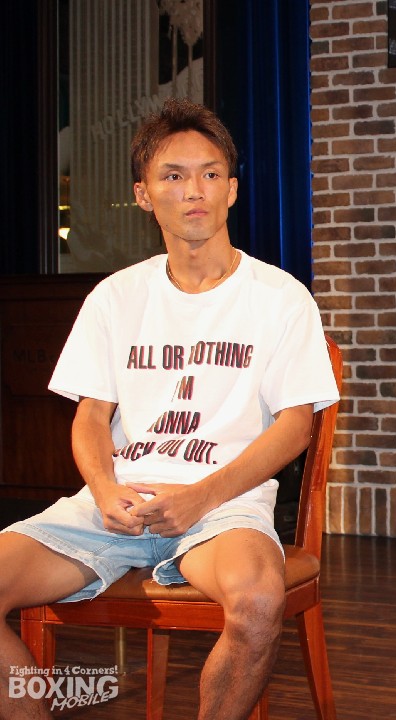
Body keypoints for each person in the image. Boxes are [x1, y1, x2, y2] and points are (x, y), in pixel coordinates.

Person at [0, 97, 339, 720]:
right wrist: (105, 488)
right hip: (117, 507)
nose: (194, 191)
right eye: (173, 175)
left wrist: (201, 497)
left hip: (224, 507)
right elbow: (90, 416)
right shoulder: (115, 297)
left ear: (232, 190)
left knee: (258, 603)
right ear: (143, 194)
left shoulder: (280, 298)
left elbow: (297, 426)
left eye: (211, 174)